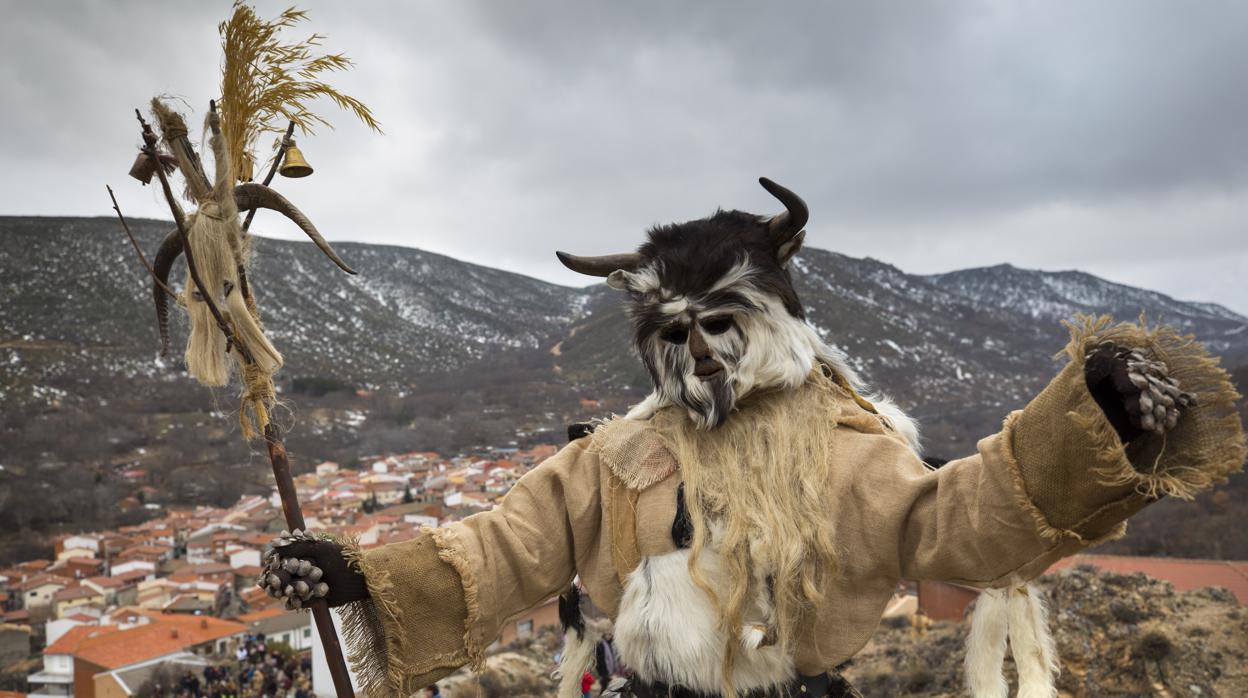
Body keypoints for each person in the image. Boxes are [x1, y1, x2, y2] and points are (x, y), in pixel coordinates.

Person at [260, 178, 1244, 698]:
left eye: (717, 325)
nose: (699, 358)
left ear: (768, 319)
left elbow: (953, 520)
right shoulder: (624, 449)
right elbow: (510, 543)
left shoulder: (839, 441)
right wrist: (361, 573)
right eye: (674, 335)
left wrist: (1086, 425)